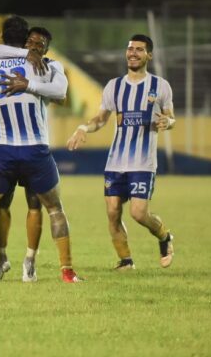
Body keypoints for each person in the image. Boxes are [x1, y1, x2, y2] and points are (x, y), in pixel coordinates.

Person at [0, 16, 82, 283]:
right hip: (35, 150)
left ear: (2, 37)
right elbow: (60, 91)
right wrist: (30, 58)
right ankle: (67, 272)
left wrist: (26, 70)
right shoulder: (44, 65)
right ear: (25, 41)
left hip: (1, 151)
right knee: (55, 209)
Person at [66, 34, 175, 270]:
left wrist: (169, 122)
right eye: (130, 49)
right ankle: (126, 261)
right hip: (115, 162)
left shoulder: (160, 86)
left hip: (143, 163)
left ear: (149, 55)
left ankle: (164, 236)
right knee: (113, 213)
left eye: (139, 49)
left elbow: (170, 116)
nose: (133, 53)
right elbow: (101, 118)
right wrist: (83, 127)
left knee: (138, 213)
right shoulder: (114, 86)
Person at [0, 27, 57, 283]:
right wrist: (24, 53)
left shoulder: (46, 68)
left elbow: (60, 92)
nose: (34, 46)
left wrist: (32, 83)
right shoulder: (2, 61)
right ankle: (2, 258)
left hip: (33, 146)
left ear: (46, 49)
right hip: (4, 147)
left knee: (34, 204)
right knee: (2, 203)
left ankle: (30, 261)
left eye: (40, 43)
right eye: (30, 41)